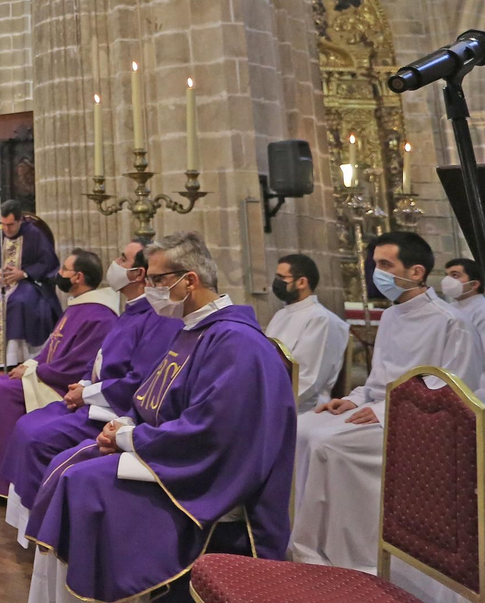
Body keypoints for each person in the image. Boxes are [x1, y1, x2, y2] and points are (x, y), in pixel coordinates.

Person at [25, 232, 296, 603]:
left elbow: (211, 433)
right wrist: (123, 427)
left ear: (190, 280)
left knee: (84, 485)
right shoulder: (194, 331)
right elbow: (154, 400)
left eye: (156, 280)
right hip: (166, 452)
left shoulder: (238, 344)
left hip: (208, 481)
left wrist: (127, 438)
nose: (148, 287)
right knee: (68, 466)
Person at [290, 230, 485, 572]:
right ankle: (305, 542)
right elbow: (378, 380)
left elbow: (451, 391)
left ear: (416, 272)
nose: (376, 271)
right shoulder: (394, 315)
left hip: (421, 423)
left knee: (327, 443)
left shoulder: (451, 322)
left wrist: (381, 411)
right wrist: (352, 400)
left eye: (385, 264)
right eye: (375, 263)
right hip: (380, 410)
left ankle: (346, 556)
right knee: (302, 428)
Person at [1, 238, 183, 541]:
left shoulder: (156, 318)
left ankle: (42, 530)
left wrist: (85, 394)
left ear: (140, 274)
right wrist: (84, 383)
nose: (115, 263)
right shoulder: (130, 310)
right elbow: (101, 356)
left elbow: (137, 379)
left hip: (111, 409)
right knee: (26, 424)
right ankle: (28, 527)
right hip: (94, 396)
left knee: (37, 438)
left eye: (122, 259)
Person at [0, 250, 119, 502]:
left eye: (64, 269)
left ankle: (0, 485)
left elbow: (75, 366)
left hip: (60, 386)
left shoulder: (100, 315)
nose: (59, 274)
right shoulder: (78, 305)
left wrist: (33, 370)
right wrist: (31, 363)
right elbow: (50, 348)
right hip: (44, 376)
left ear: (78, 277)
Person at [0, 201, 60, 368]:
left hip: (27, 282)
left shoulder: (35, 234)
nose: (7, 230)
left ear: (20, 221)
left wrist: (23, 273)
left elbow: (48, 262)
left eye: (10, 225)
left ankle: (14, 358)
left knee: (19, 303)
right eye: (3, 225)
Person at [265, 253, 350, 411]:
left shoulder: (321, 319)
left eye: (282, 277)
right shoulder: (281, 314)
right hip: (272, 396)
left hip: (304, 407)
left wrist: (271, 404)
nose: (276, 283)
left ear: (302, 282)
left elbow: (310, 380)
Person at [443, 257, 485, 346]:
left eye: (455, 275)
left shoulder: (482, 310)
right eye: (446, 275)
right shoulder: (448, 307)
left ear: (474, 284)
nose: (447, 280)